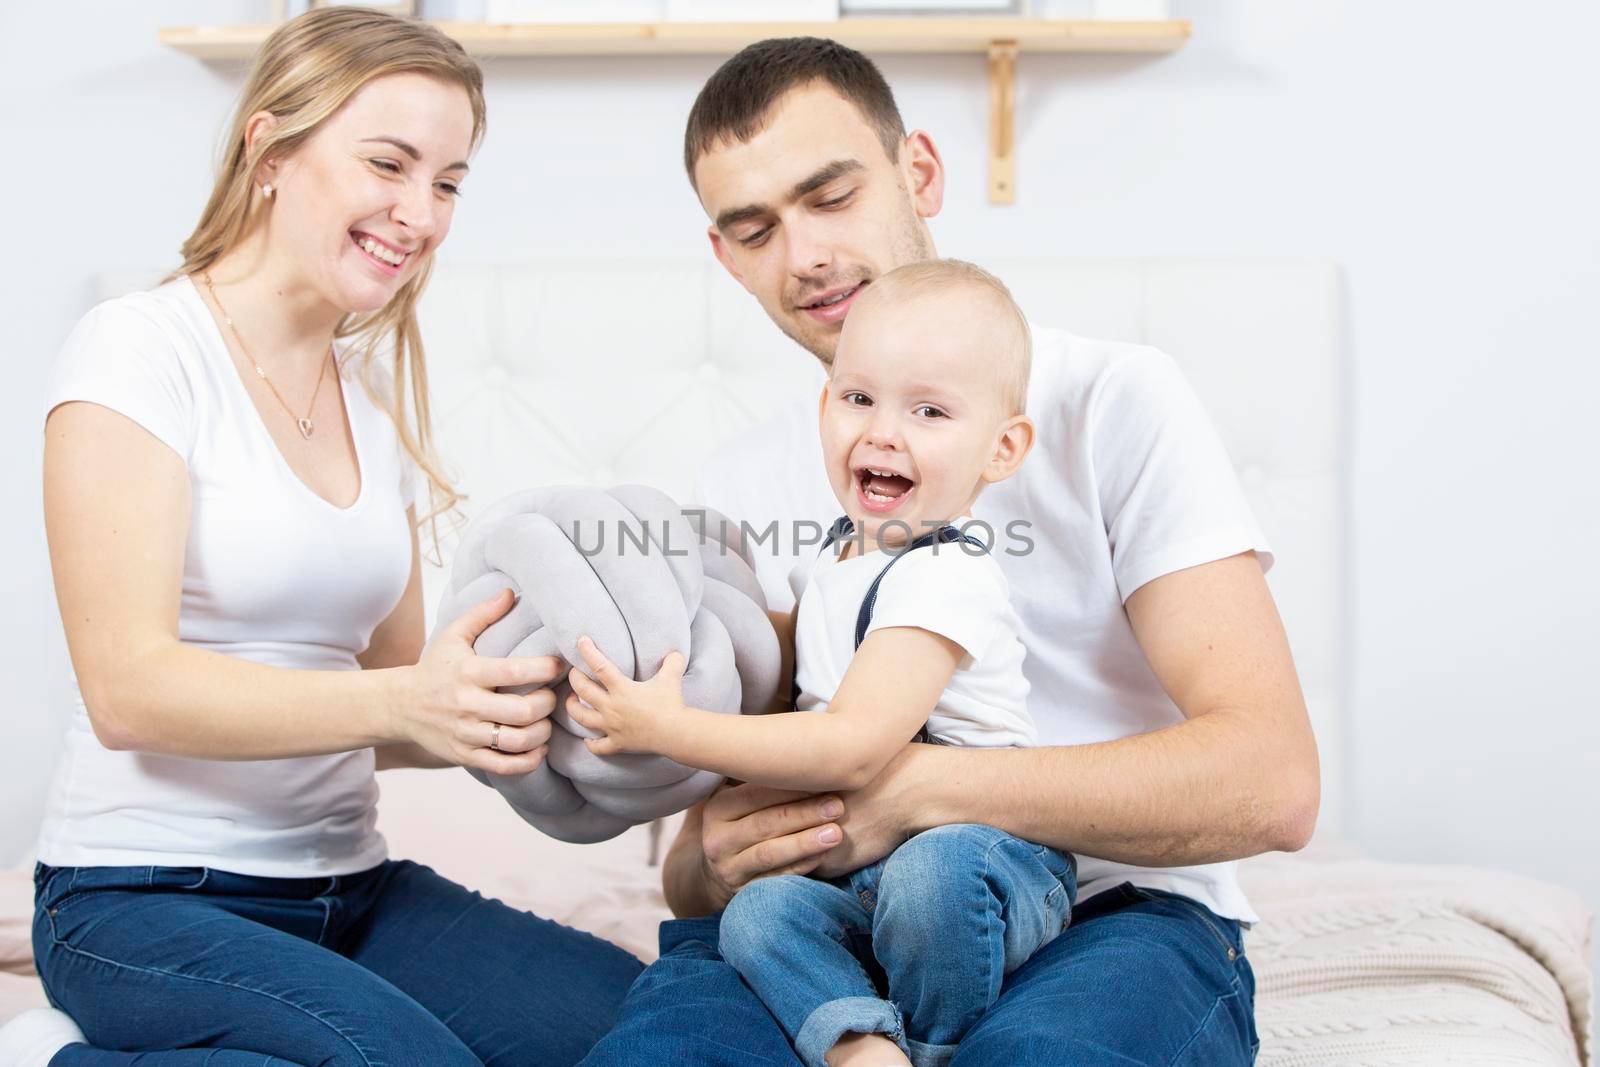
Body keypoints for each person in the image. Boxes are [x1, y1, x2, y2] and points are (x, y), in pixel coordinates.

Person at [581, 37, 1320, 1066]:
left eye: (830, 196)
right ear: (724, 255)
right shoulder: (737, 482)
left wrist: (921, 786)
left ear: (917, 171)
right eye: (756, 229)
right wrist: (709, 861)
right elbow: (695, 863)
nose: (803, 257)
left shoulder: (1114, 400)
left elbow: (1272, 782)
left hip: (1112, 911)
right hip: (824, 923)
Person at [4, 10, 641, 1067]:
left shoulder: (368, 397)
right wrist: (406, 700)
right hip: (136, 898)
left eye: (447, 181)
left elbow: (398, 695)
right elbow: (128, 687)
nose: (419, 212)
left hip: (350, 886)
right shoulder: (140, 349)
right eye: (387, 163)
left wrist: (528, 708)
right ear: (271, 148)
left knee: (655, 1024)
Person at [569, 260, 1067, 1067]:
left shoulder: (947, 573)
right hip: (865, 872)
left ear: (1002, 448)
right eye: (858, 397)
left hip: (991, 864)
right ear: (825, 402)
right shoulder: (835, 561)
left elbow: (850, 744)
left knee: (932, 875)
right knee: (757, 913)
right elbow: (785, 683)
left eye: (930, 410)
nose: (881, 432)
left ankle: (941, 1044)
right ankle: (856, 1039)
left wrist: (670, 728)